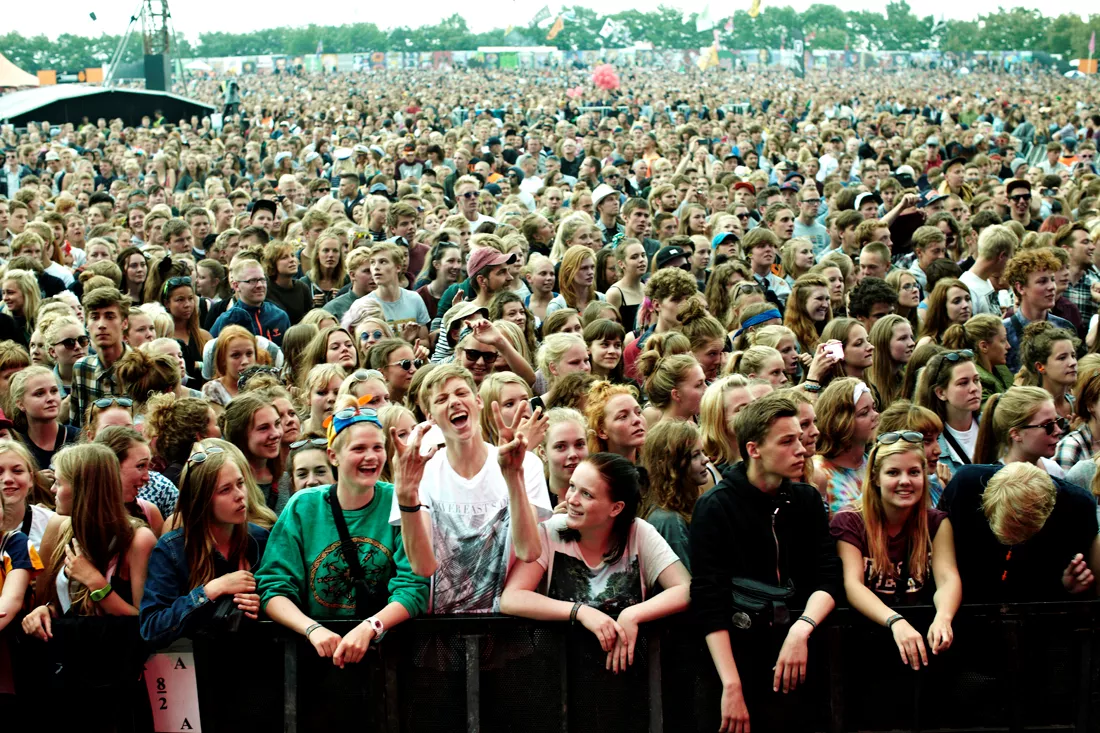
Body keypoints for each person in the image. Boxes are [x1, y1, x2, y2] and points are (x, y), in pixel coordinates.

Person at [690, 391, 842, 733]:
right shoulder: (715, 507)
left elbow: (828, 577)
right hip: (740, 660)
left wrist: (802, 629)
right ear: (753, 449)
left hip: (802, 657)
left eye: (800, 439)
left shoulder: (806, 499)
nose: (801, 449)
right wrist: (731, 685)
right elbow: (707, 600)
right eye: (787, 441)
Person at [257, 396, 428, 665]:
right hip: (317, 657)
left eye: (377, 447)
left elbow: (414, 586)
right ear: (334, 456)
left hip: (389, 659)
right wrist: (312, 629)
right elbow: (274, 588)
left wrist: (370, 627)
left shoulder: (399, 500)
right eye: (359, 448)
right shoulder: (303, 507)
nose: (371, 457)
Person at [500, 453, 690, 672]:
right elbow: (512, 598)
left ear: (616, 508)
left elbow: (686, 588)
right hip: (557, 678)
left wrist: (633, 614)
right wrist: (580, 611)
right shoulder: (550, 530)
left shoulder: (639, 533)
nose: (571, 499)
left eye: (586, 494)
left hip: (625, 680)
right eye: (572, 486)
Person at [387, 363, 550, 613]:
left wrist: (513, 474)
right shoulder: (421, 472)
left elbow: (529, 550)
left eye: (461, 394)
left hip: (506, 625)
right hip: (440, 629)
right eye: (442, 399)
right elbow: (423, 567)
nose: (454, 402)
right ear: (430, 417)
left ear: (478, 401)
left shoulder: (527, 463)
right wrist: (406, 496)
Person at [831, 434, 962, 669]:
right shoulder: (849, 522)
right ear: (876, 478)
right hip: (864, 644)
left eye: (914, 472)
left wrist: (943, 617)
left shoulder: (936, 522)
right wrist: (895, 621)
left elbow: (948, 577)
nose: (905, 481)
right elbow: (852, 585)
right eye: (893, 473)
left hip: (921, 642)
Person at [139, 439, 269, 646]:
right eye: (225, 490)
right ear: (202, 501)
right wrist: (210, 591)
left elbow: (287, 601)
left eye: (240, 483)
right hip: (197, 669)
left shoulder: (261, 539)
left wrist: (262, 604)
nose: (239, 496)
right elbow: (152, 627)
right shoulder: (172, 549)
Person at [940, 461, 1100, 602]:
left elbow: (1061, 588)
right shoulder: (966, 486)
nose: (1010, 544)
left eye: (1019, 535)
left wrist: (1066, 587)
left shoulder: (1078, 509)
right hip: (965, 608)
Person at [641, 420, 710, 569]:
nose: (706, 459)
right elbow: (687, 585)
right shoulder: (669, 521)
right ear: (670, 464)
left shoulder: (679, 505)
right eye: (695, 455)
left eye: (703, 452)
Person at [1002, 248, 1074, 372]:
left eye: (1052, 279)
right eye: (1042, 281)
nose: (1051, 287)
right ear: (1020, 288)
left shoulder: (1064, 327)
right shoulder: (1004, 333)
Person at [814, 377, 879, 513]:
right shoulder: (818, 474)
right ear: (841, 422)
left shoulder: (878, 465)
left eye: (874, 408)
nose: (875, 415)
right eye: (864, 413)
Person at [915, 349, 983, 478]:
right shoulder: (927, 440)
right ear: (941, 393)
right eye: (963, 383)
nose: (974, 388)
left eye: (976, 380)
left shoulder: (993, 424)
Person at [70, 287, 131, 428]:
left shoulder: (144, 368)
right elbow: (78, 428)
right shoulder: (81, 368)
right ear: (87, 324)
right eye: (94, 317)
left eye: (110, 317)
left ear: (124, 323)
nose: (102, 325)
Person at [974, 386, 1067, 477]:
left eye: (1059, 421)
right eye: (1048, 425)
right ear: (1016, 433)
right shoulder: (995, 481)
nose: (1058, 431)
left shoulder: (1054, 471)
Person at [220, 393, 287, 515]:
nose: (276, 433)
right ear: (241, 436)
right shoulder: (229, 491)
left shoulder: (287, 480)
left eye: (277, 424)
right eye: (263, 428)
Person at [10, 366, 79, 476]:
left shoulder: (78, 438)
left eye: (54, 391)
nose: (50, 398)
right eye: (39, 393)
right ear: (20, 404)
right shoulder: (15, 445)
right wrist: (36, 481)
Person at [942, 315, 1013, 407]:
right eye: (1003, 341)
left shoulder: (1000, 368)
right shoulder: (975, 380)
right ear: (984, 346)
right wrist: (1017, 386)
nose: (1008, 346)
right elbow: (994, 415)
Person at [1017, 321, 1079, 421]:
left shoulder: (1080, 406)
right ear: (1040, 366)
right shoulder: (1032, 412)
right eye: (1062, 358)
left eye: (1073, 356)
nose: (1073, 362)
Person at [866, 315, 915, 412]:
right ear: (883, 344)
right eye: (903, 338)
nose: (912, 343)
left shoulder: (908, 382)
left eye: (911, 337)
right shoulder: (868, 387)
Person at [202, 324, 258, 407]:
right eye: (236, 355)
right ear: (223, 359)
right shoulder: (213, 390)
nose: (245, 361)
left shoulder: (265, 386)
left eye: (249, 354)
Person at [917, 278, 972, 348]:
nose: (965, 305)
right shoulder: (929, 343)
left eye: (968, 299)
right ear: (941, 306)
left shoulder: (977, 337)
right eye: (957, 301)